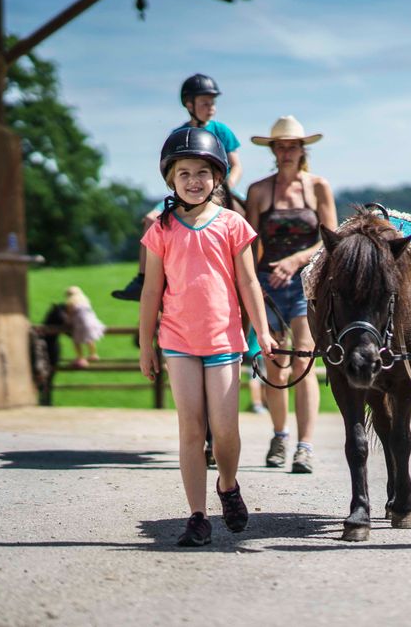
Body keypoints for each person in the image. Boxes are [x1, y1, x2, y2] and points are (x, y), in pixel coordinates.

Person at [138, 126, 276, 546]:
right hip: (178, 341)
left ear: (218, 177)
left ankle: (228, 485)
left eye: (202, 172)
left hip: (222, 340)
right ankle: (197, 515)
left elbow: (250, 283)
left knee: (226, 428)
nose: (193, 180)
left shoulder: (233, 224)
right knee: (191, 429)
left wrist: (265, 334)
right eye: (184, 173)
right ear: (170, 180)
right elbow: (151, 291)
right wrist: (147, 344)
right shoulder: (161, 229)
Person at [245, 115, 337, 474]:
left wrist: (296, 260)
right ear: (273, 150)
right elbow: (249, 242)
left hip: (306, 283)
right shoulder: (259, 190)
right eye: (280, 146)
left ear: (302, 150)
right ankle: (280, 435)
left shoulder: (317, 187)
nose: (286, 152)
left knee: (304, 362)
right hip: (268, 286)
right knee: (274, 365)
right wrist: (249, 283)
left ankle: (305, 445)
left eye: (292, 146)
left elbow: (330, 237)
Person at [113, 74, 245, 301]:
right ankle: (143, 277)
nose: (211, 107)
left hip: (223, 186)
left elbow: (236, 165)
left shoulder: (222, 131)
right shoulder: (178, 135)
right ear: (189, 104)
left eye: (212, 102)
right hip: (189, 188)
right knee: (150, 218)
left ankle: (254, 268)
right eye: (205, 103)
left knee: (250, 212)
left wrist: (226, 186)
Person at [64, 286, 106, 369]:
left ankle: (80, 358)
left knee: (76, 341)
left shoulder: (71, 302)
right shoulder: (85, 300)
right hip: (92, 321)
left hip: (80, 323)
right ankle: (93, 354)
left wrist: (68, 322)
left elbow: (70, 314)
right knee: (89, 338)